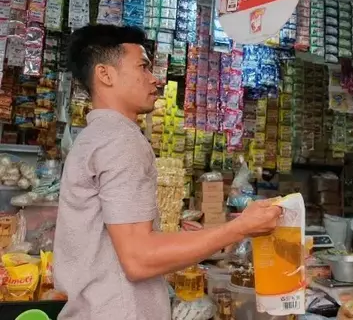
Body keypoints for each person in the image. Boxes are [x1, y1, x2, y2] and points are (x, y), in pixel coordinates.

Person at [53, 25, 282, 320]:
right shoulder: (120, 140)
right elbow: (138, 258)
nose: (155, 79)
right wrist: (239, 227)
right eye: (143, 67)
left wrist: (207, 237)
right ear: (105, 75)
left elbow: (127, 243)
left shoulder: (94, 136)